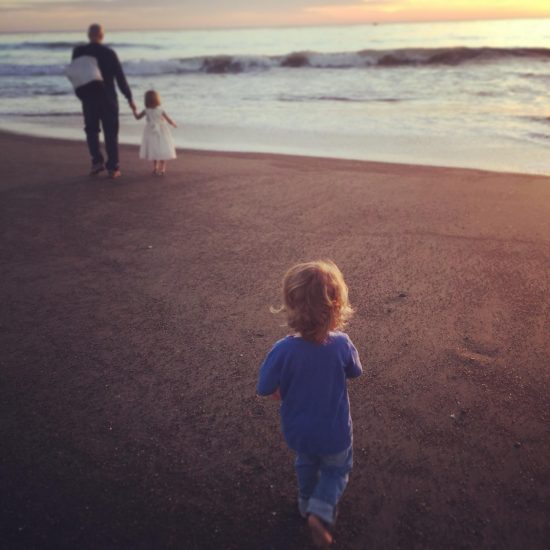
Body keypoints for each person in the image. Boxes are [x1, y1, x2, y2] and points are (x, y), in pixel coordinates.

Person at [256, 260, 363, 548]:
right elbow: (355, 371)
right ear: (337, 306)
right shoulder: (342, 344)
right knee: (335, 470)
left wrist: (281, 387)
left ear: (291, 305)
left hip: (299, 431)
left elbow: (264, 387)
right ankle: (322, 509)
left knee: (306, 461)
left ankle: (305, 504)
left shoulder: (283, 350)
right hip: (335, 431)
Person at [72, 23, 136, 178]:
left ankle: (96, 162)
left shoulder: (79, 52)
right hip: (108, 99)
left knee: (91, 131)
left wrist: (81, 96)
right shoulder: (109, 53)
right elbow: (120, 78)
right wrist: (129, 98)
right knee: (111, 133)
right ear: (102, 35)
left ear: (89, 35)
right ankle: (113, 167)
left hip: (89, 99)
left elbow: (76, 75)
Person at [134, 90, 177, 176]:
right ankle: (162, 168)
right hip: (161, 130)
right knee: (162, 148)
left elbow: (137, 117)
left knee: (153, 148)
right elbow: (168, 119)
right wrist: (173, 124)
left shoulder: (146, 110)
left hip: (150, 130)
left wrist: (134, 110)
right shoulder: (161, 110)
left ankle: (155, 167)